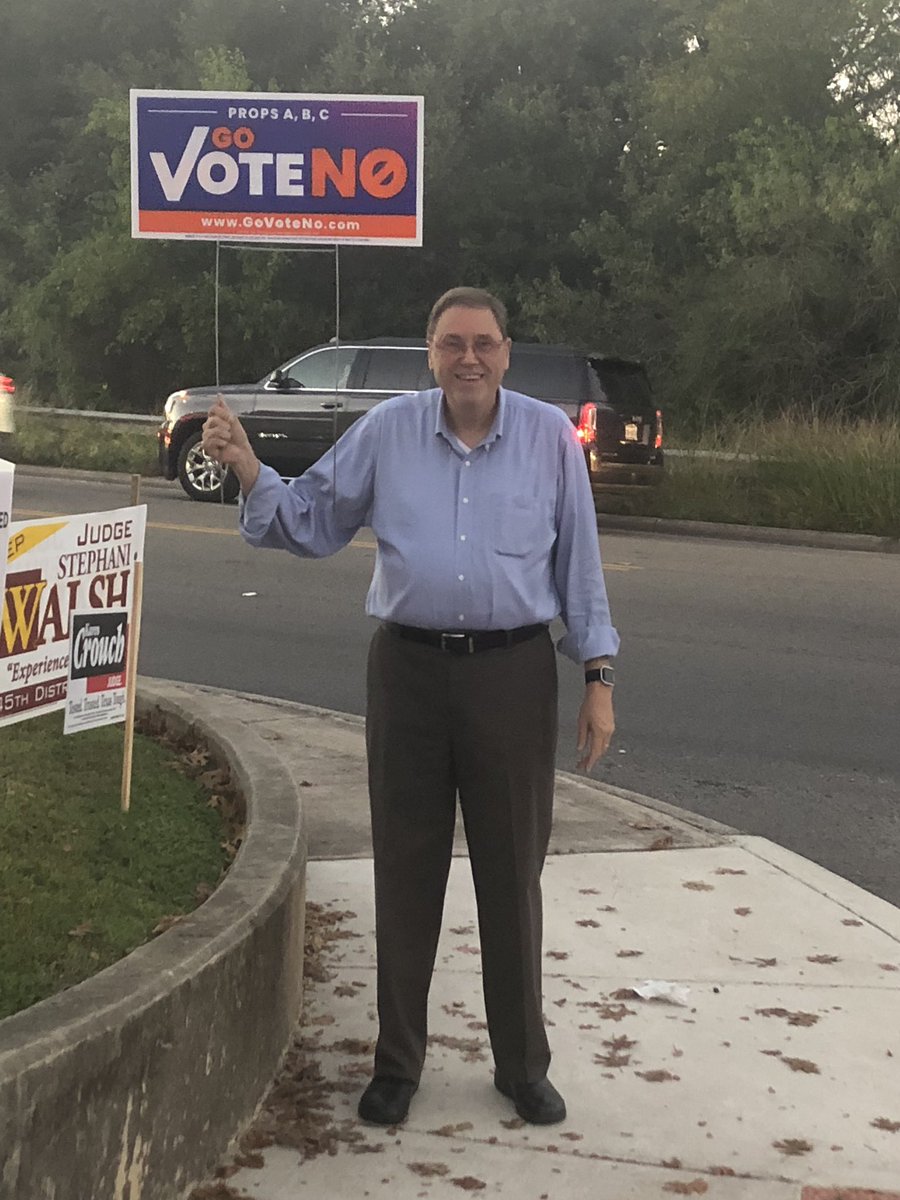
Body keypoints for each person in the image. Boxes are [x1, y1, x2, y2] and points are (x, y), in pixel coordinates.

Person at [201, 286, 619, 1128]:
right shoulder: (389, 431)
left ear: (506, 352)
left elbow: (580, 565)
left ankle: (520, 1065)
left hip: (512, 676)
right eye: (452, 343)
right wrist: (250, 470)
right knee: (406, 867)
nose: (469, 358)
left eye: (485, 343)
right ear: (430, 353)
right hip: (409, 675)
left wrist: (599, 678)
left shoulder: (547, 439)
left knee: (512, 876)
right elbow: (314, 518)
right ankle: (398, 1063)